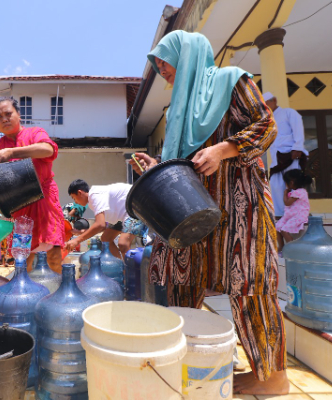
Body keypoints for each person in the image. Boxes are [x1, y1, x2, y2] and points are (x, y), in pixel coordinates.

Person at [132, 31, 289, 395]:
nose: (162, 71)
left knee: (248, 286)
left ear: (187, 55)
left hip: (240, 208)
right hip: (192, 211)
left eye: (165, 61)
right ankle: (186, 363)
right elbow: (185, 163)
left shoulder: (231, 82)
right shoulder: (180, 109)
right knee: (180, 281)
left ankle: (272, 378)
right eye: (156, 65)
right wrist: (157, 166)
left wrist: (224, 149)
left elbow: (266, 127)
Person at [0, 97, 65, 273]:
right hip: (20, 207)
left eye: (8, 113)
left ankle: (56, 295)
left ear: (19, 115)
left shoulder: (35, 133)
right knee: (23, 258)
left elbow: (48, 149)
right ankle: (27, 297)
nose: (4, 119)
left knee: (52, 253)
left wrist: (13, 152)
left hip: (45, 201)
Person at [65, 179, 147, 259]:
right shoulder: (92, 202)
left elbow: (100, 225)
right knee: (106, 239)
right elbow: (102, 226)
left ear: (79, 193)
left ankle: (130, 271)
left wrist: (77, 240)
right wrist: (82, 232)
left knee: (123, 244)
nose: (75, 202)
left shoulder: (95, 195)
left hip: (136, 208)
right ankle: (121, 267)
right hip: (122, 215)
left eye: (73, 198)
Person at [263, 92, 308, 217]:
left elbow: (298, 129)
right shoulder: (268, 119)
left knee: (294, 183)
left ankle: (298, 212)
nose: (266, 107)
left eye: (267, 103)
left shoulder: (289, 112)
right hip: (277, 156)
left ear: (274, 101)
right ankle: (279, 213)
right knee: (275, 183)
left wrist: (297, 148)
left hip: (291, 154)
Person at [276, 169, 312, 254]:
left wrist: (285, 194)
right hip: (291, 215)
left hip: (299, 216)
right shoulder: (296, 192)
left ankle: (292, 249)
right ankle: (281, 247)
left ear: (291, 183)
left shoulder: (300, 192)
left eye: (286, 182)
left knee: (284, 230)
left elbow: (287, 203)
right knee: (278, 226)